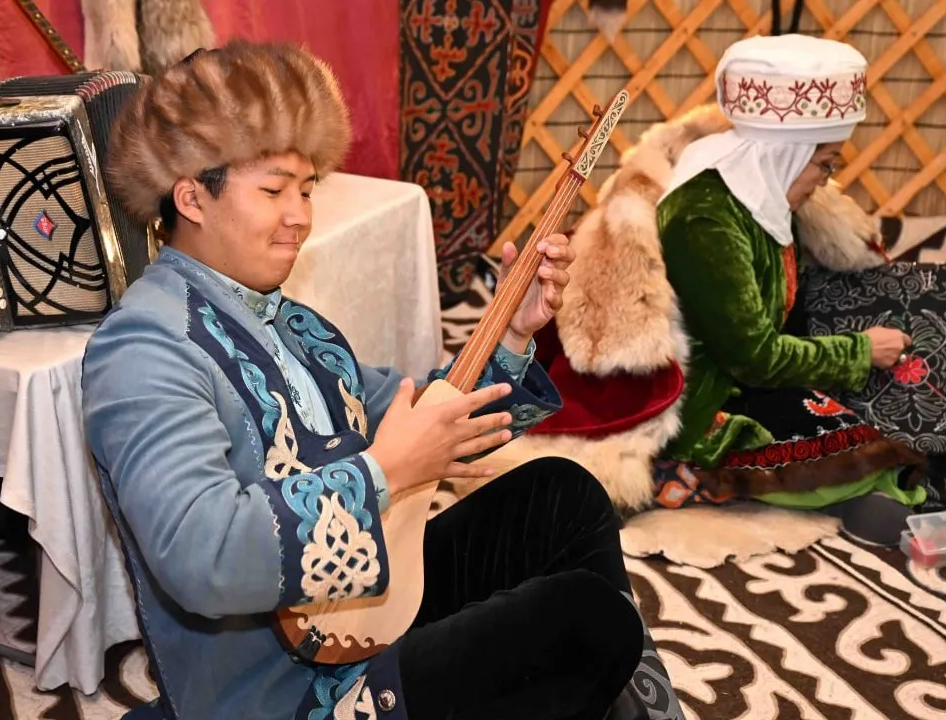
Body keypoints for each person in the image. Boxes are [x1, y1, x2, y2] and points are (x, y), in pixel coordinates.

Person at [81, 40, 682, 720]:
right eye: (274, 190)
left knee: (562, 498)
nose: (300, 216)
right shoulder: (144, 347)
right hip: (283, 690)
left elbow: (425, 417)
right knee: (581, 620)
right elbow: (203, 553)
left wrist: (513, 333)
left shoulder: (292, 324)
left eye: (307, 189)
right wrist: (385, 471)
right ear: (192, 196)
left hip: (368, 607)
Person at [652, 34, 941, 541]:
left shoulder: (764, 198)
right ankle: (697, 475)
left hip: (759, 377)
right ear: (785, 153)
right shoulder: (705, 219)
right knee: (862, 448)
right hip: (704, 400)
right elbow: (753, 358)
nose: (826, 181)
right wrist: (859, 351)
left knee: (908, 424)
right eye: (824, 164)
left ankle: (859, 488)